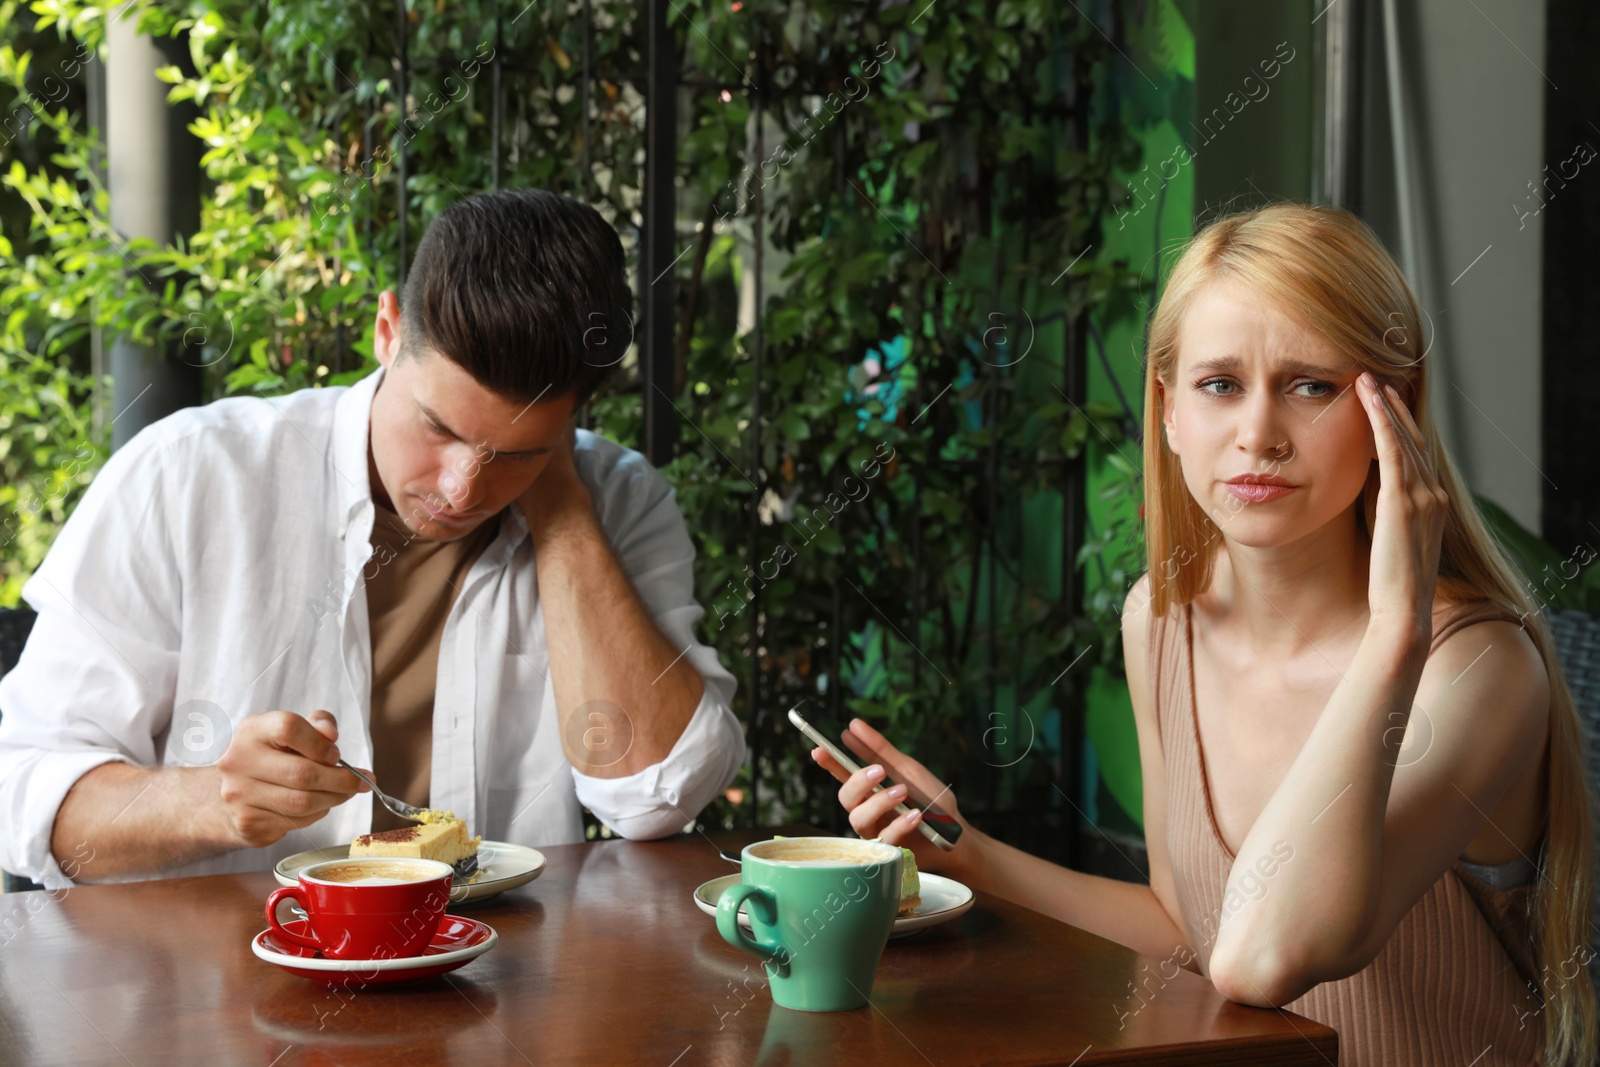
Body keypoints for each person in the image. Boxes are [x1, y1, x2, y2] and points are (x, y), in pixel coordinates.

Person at [814, 203, 1597, 1066]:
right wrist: (967, 855)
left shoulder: (1475, 668)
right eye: (1220, 385)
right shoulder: (1159, 622)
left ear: (1396, 414)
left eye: (1312, 385)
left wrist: (1392, 636)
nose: (1258, 434)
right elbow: (1189, 929)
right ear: (1171, 413)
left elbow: (1262, 958)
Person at [0, 188, 745, 887]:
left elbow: (657, 796)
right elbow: (26, 793)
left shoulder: (618, 500)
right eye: (439, 427)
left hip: (506, 989)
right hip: (218, 997)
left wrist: (560, 503)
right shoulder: (189, 476)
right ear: (388, 331)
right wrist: (215, 803)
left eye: (515, 453)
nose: (461, 489)